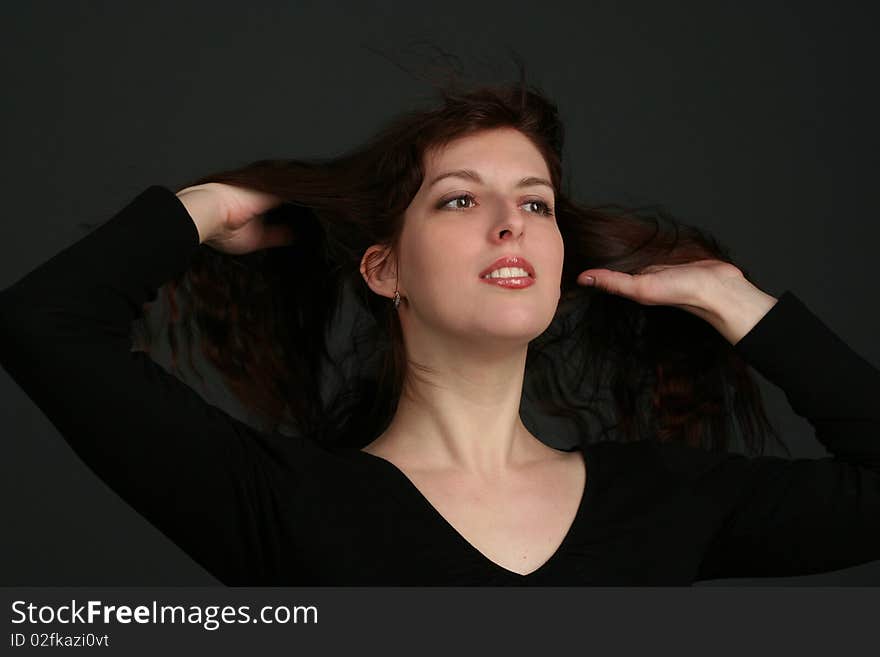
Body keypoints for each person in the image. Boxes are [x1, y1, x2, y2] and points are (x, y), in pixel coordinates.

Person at [1, 79, 879, 585]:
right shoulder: (287, 506)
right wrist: (210, 205)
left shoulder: (665, 499)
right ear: (384, 269)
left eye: (535, 202)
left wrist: (741, 305)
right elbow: (45, 324)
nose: (512, 223)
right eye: (460, 198)